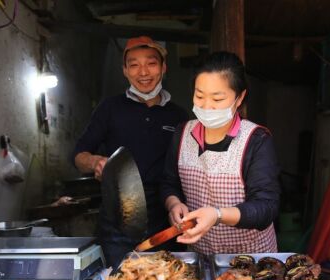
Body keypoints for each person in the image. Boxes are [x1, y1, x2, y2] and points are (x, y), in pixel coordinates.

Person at [73, 36, 187, 267]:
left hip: (165, 216)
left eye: (151, 63)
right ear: (125, 71)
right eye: (134, 64)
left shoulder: (179, 117)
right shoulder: (109, 109)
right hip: (117, 217)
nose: (143, 72)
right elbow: (78, 155)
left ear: (164, 68)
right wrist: (94, 162)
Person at [161, 51, 280, 254]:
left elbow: (266, 208)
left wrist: (217, 214)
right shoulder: (183, 133)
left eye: (217, 99)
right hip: (200, 253)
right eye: (199, 96)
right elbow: (168, 182)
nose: (206, 106)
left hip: (249, 256)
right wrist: (174, 204)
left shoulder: (256, 140)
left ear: (239, 97)